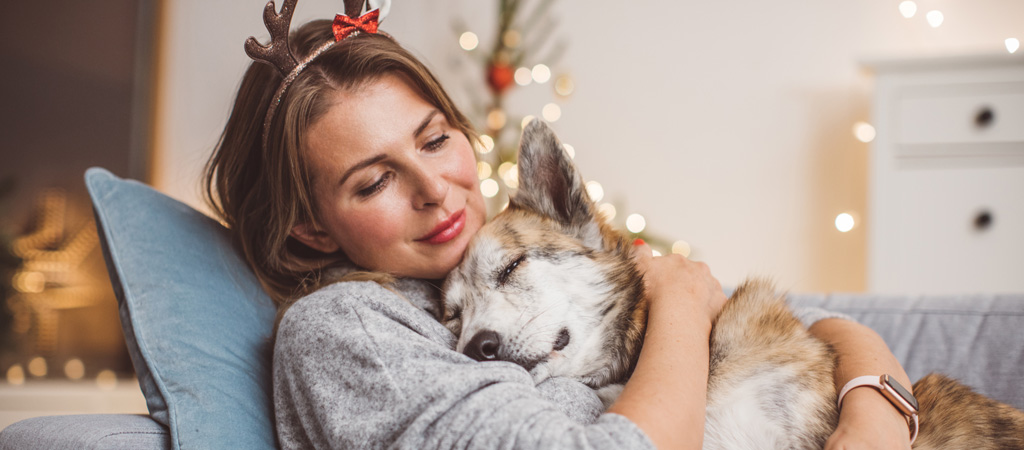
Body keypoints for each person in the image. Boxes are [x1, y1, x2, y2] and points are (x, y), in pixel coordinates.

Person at [204, 4, 916, 449]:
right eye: (374, 181)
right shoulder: (346, 329)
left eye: (435, 139)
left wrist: (876, 416)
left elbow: (819, 327)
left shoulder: (496, 250)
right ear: (310, 229)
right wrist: (678, 301)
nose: (434, 189)